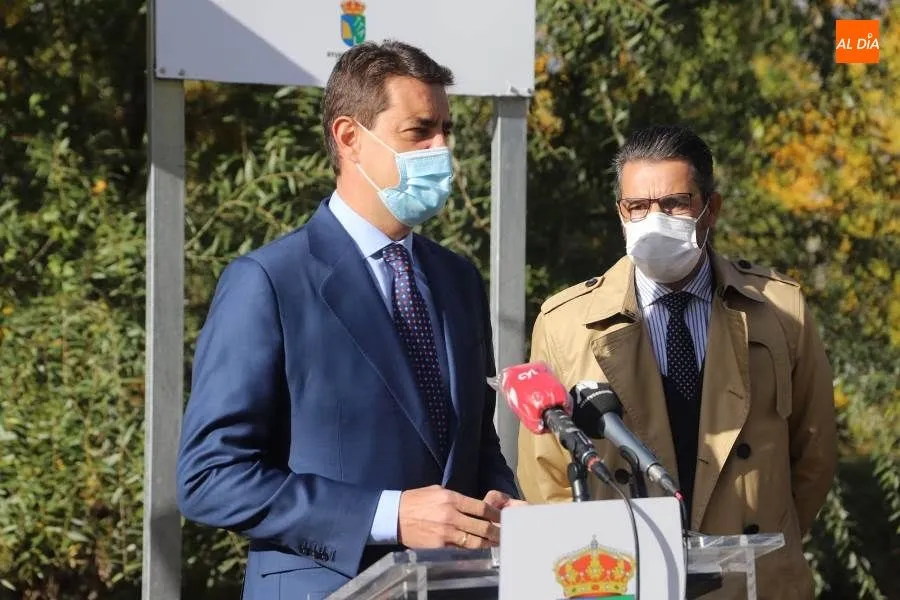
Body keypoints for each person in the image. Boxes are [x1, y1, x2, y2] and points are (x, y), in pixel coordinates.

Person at [176, 40, 521, 599]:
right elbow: (210, 478)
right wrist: (388, 515)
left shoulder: (458, 279)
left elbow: (476, 444)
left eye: (447, 131)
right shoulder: (268, 281)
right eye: (419, 131)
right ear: (349, 137)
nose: (442, 149)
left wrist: (498, 501)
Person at [516, 125, 837, 599]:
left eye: (674, 204)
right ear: (620, 214)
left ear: (712, 210)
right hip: (623, 577)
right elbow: (546, 477)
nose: (654, 220)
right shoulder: (566, 323)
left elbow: (814, 455)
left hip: (752, 578)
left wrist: (766, 545)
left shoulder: (781, 311)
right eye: (638, 207)